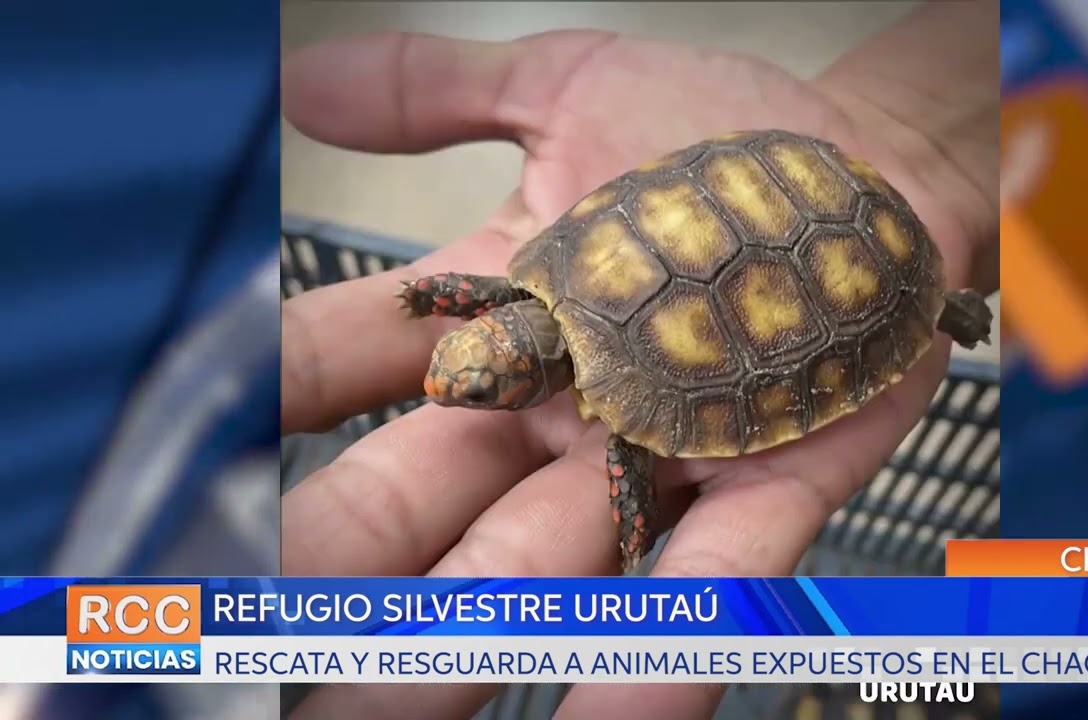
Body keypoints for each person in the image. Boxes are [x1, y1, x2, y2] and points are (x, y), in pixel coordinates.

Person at [279, 2, 998, 719]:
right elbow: (465, 298)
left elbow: (630, 465)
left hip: (844, 236)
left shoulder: (619, 419)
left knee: (893, 299)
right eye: (475, 387)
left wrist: (634, 535)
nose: (454, 393)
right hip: (787, 162)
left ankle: (934, 302)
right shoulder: (530, 288)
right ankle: (934, 297)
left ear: (526, 382)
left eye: (480, 392)